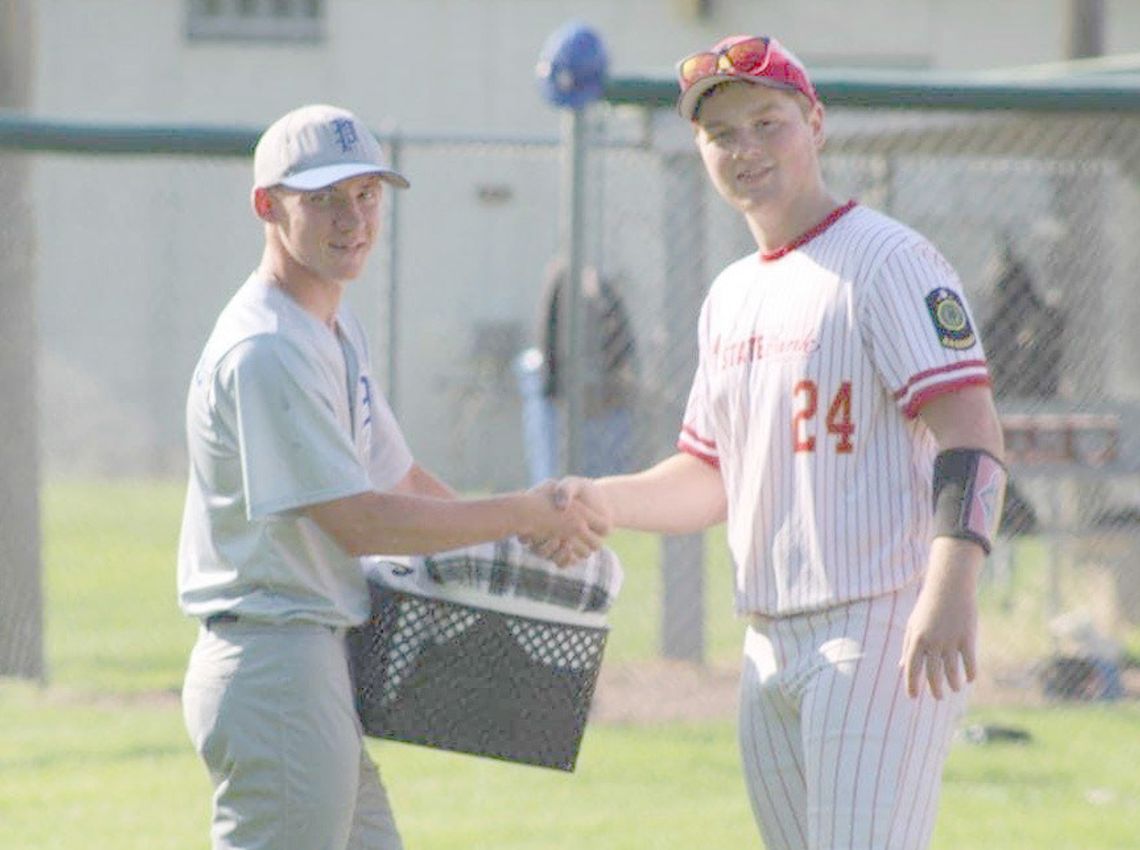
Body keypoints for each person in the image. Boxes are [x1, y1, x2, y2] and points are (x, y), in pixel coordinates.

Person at [550, 36, 1007, 850]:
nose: (745, 148)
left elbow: (969, 432)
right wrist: (599, 498)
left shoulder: (888, 259)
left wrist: (951, 586)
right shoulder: (730, 293)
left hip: (879, 621)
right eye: (721, 133)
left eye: (768, 122)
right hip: (768, 635)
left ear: (816, 124)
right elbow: (708, 473)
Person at [177, 103, 607, 850]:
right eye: (323, 199)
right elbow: (360, 520)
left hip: (310, 659)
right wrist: (521, 512)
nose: (353, 219)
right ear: (266, 206)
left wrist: (518, 550)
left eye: (367, 194)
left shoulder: (331, 330)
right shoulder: (268, 348)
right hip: (275, 662)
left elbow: (400, 480)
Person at [515, 260, 638, 484]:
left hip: (602, 395)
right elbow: (548, 337)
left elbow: (623, 343)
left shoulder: (607, 292)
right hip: (561, 392)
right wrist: (553, 388)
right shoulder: (560, 282)